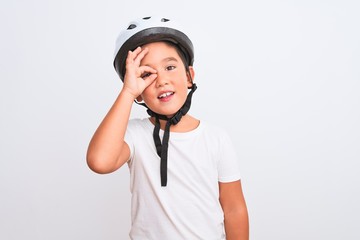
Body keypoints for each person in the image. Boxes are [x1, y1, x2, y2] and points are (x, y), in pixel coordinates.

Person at [87, 16, 249, 240]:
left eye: (170, 67)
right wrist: (127, 93)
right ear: (139, 91)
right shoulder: (134, 134)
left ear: (189, 76)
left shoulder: (216, 138)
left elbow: (234, 209)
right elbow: (100, 161)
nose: (161, 80)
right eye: (146, 74)